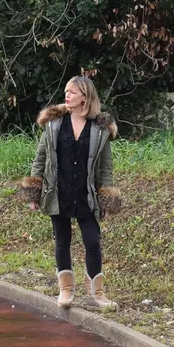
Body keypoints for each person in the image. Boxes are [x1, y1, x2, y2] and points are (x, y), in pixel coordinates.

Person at [20, 76, 121, 309]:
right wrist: (33, 192)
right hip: (58, 192)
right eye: (66, 91)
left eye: (72, 92)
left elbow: (105, 168)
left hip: (86, 194)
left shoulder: (100, 129)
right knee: (62, 240)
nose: (67, 95)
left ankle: (97, 295)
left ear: (85, 96)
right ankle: (66, 290)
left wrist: (106, 199)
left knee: (93, 242)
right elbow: (40, 158)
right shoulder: (54, 124)